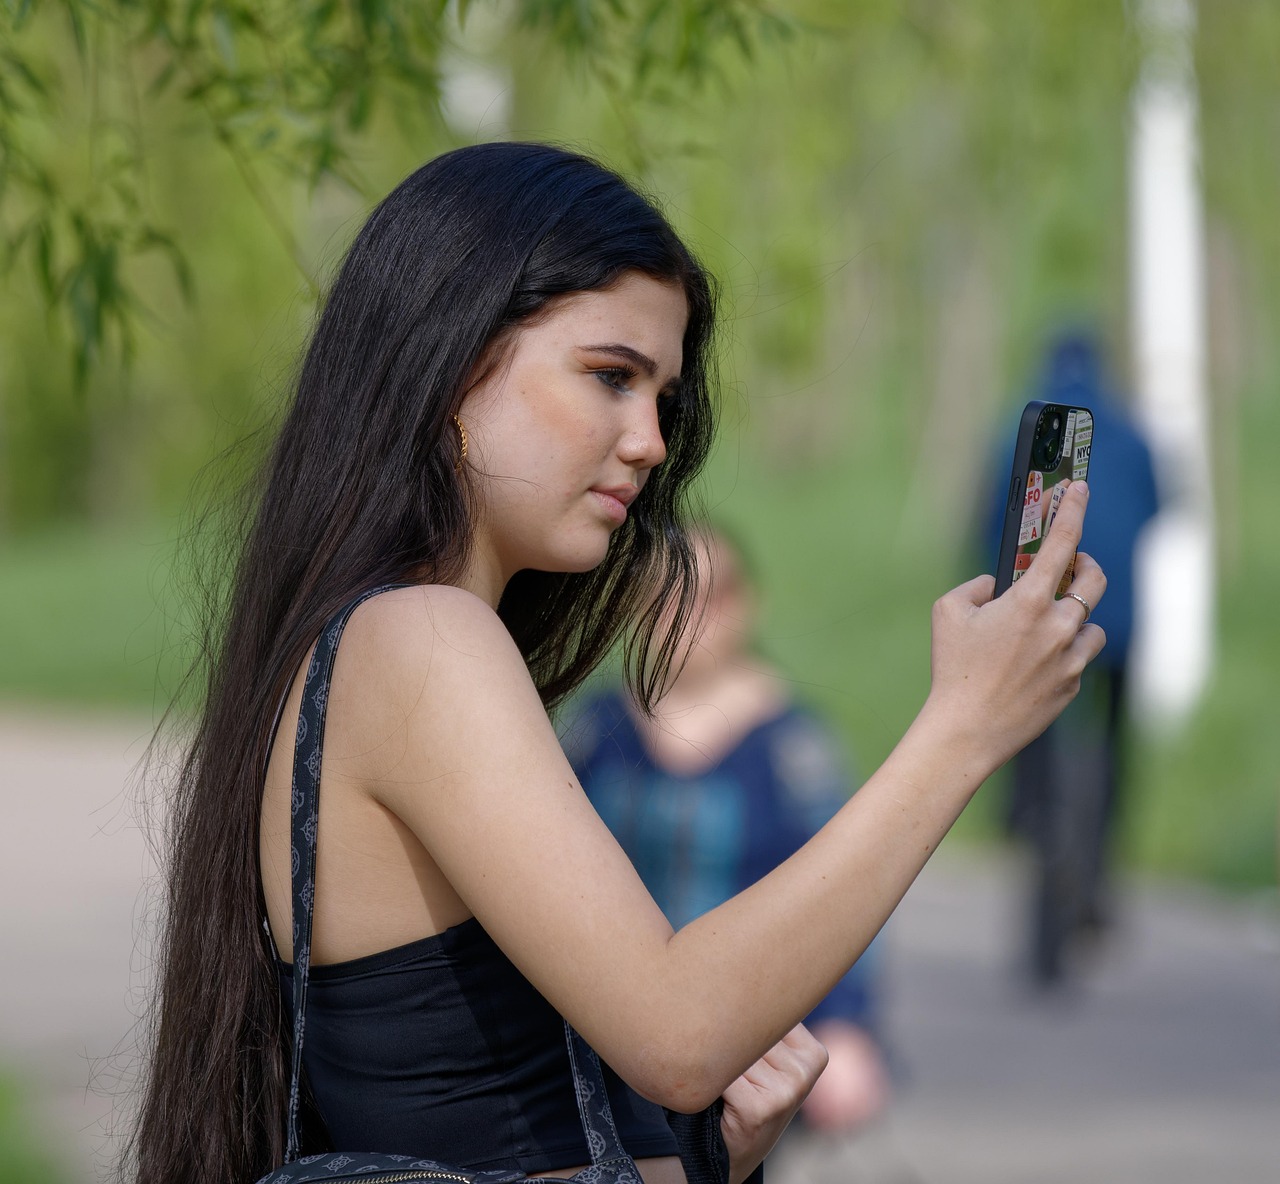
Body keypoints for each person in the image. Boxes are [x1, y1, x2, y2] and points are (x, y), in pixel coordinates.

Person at [127, 142, 1107, 1184]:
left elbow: (468, 1129)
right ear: (449, 359)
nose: (649, 440)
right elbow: (678, 1034)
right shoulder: (420, 641)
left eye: (662, 398)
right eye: (609, 376)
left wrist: (701, 1155)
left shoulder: (374, 642)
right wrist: (962, 729)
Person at [566, 527, 889, 1137]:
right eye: (662, 594)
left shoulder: (789, 745)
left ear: (745, 604)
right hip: (606, 1028)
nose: (685, 616)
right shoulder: (597, 727)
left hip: (751, 1038)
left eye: (709, 596)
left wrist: (847, 1026)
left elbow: (845, 888)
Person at [984, 332, 1157, 985]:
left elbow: (991, 519)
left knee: (1029, 722)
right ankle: (1103, 845)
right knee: (1111, 744)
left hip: (1040, 615)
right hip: (1117, 621)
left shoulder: (1019, 432)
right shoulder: (1133, 434)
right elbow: (1159, 510)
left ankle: (1028, 810)